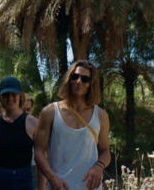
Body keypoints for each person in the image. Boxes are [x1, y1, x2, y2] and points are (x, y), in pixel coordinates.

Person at [35, 60, 111, 190]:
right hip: (58, 186)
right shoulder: (50, 112)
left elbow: (105, 151)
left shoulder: (101, 116)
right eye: (74, 76)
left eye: (85, 79)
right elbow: (39, 151)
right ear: (68, 79)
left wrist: (99, 166)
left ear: (91, 84)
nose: (78, 81)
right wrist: (52, 178)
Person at [0, 76, 39, 190]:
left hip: (24, 179)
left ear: (20, 96)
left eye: (13, 94)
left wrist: (42, 187)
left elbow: (41, 159)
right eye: (6, 95)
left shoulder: (33, 123)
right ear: (0, 97)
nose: (10, 98)